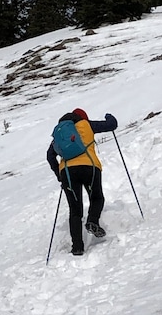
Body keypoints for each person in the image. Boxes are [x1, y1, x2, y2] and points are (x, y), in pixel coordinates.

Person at [47, 107, 118, 256]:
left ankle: (77, 247)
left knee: (75, 210)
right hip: (89, 167)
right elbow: (112, 125)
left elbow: (50, 155)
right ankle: (92, 220)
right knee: (97, 197)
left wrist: (59, 175)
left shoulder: (60, 134)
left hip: (67, 172)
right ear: (82, 118)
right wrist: (109, 116)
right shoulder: (87, 125)